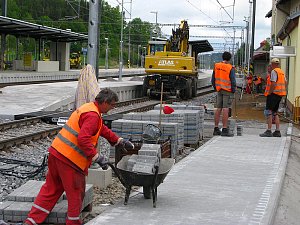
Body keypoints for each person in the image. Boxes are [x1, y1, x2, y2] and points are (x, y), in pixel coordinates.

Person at [24, 88, 134, 225]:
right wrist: (96, 157)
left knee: (50, 190)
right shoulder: (93, 116)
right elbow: (83, 139)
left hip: (56, 153)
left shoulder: (89, 108)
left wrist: (118, 140)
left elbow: (101, 129)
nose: (113, 107)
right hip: (70, 161)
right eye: (112, 105)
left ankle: (31, 221)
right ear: (104, 102)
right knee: (76, 193)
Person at [211, 51, 236, 137]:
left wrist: (216, 88)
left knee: (218, 108)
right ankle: (225, 129)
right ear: (229, 59)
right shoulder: (230, 68)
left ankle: (216, 128)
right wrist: (233, 90)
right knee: (226, 108)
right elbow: (233, 80)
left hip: (219, 90)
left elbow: (212, 80)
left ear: (222, 57)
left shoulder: (216, 66)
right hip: (227, 90)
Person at [260, 58, 287, 137]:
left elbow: (274, 84)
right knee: (275, 112)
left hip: (273, 94)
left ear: (273, 64)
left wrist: (269, 92)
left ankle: (269, 131)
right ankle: (277, 131)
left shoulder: (274, 71)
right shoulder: (281, 72)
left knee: (269, 112)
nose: (270, 66)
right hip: (280, 94)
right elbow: (285, 82)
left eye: (271, 64)